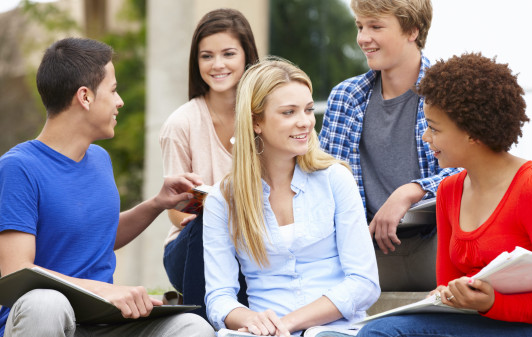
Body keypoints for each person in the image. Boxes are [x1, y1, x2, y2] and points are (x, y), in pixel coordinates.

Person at [357, 53, 532, 337]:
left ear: (473, 133)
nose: (425, 137)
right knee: (381, 331)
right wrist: (449, 295)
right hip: (482, 324)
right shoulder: (448, 191)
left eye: (434, 128)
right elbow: (449, 289)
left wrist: (493, 302)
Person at [0, 37, 215, 337]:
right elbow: (16, 272)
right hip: (47, 320)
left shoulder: (99, 159)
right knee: (45, 303)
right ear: (85, 97)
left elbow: (97, 236)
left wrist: (157, 203)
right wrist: (103, 291)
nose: (120, 101)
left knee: (191, 327)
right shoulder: (18, 167)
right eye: (113, 91)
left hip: (104, 324)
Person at [203, 58, 380, 336]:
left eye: (309, 110)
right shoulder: (222, 199)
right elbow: (219, 297)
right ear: (256, 122)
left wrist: (289, 323)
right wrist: (254, 321)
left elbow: (364, 283)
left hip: (337, 331)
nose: (305, 122)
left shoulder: (336, 179)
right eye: (289, 112)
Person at [319, 0, 461, 291]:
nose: (362, 38)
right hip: (366, 257)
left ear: (412, 30)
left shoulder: (450, 93)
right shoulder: (346, 98)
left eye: (375, 26)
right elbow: (323, 184)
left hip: (440, 246)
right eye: (360, 26)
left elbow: (474, 172)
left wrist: (411, 191)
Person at [159, 8, 259, 318]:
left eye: (228, 53)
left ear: (246, 56)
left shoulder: (266, 117)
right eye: (206, 56)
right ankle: (198, 325)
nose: (217, 65)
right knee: (207, 220)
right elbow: (177, 213)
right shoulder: (181, 124)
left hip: (255, 245)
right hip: (192, 248)